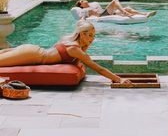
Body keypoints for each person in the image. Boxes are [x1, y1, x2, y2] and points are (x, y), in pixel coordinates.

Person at [0, 21, 133, 87]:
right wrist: (117, 79)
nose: (93, 39)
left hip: (32, 51)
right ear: (82, 34)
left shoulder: (73, 43)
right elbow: (98, 68)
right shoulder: (74, 48)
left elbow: (76, 60)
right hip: (31, 55)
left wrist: (86, 45)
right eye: (90, 35)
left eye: (94, 36)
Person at [75, 0, 157, 19]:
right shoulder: (84, 10)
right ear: (81, 5)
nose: (84, 0)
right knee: (114, 0)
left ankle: (145, 14)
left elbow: (103, 9)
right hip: (102, 15)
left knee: (128, 8)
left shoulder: (94, 3)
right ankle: (124, 12)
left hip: (106, 12)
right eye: (82, 1)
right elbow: (82, 17)